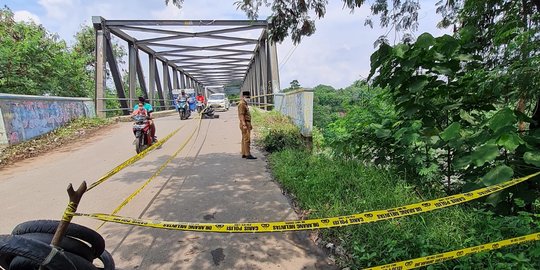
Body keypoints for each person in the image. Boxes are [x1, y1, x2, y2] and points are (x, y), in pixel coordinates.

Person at [238, 91, 256, 159]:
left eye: (248, 97)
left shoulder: (244, 103)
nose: (248, 98)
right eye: (246, 97)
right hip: (245, 123)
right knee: (247, 139)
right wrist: (244, 124)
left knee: (244, 139)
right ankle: (248, 154)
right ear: (243, 97)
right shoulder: (242, 104)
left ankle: (244, 153)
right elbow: (241, 115)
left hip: (247, 122)